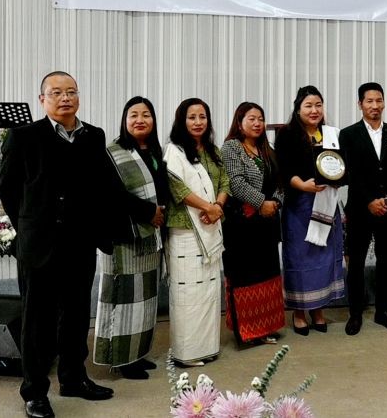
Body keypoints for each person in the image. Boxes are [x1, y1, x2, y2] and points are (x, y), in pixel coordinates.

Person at [0, 71, 116, 418]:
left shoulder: (93, 136)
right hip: (40, 244)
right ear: (42, 99)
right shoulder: (24, 137)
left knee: (78, 315)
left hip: (80, 242)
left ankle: (74, 378)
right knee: (38, 321)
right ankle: (34, 392)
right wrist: (31, 225)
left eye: (71, 92)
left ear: (78, 97)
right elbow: (8, 190)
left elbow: (99, 185)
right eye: (56, 92)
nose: (65, 98)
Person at [94, 96, 170, 380]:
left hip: (150, 237)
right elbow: (111, 195)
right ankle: (121, 359)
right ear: (125, 121)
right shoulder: (112, 153)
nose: (140, 120)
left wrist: (158, 214)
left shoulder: (153, 151)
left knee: (146, 302)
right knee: (124, 301)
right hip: (125, 238)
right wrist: (149, 211)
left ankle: (137, 353)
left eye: (146, 114)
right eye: (134, 115)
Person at [163, 98, 229, 366]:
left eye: (202, 117)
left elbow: (225, 181)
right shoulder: (173, 151)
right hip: (185, 230)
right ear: (182, 121)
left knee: (209, 290)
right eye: (192, 117)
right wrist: (208, 207)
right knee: (187, 292)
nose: (198, 122)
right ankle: (186, 353)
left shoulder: (213, 150)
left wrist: (217, 207)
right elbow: (176, 188)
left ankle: (207, 347)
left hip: (211, 226)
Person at [339, 83, 387, 335]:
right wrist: (369, 200)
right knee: (355, 262)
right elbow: (350, 173)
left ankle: (383, 312)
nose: (375, 106)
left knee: (385, 261)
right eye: (369, 101)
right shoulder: (347, 134)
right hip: (360, 208)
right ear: (360, 104)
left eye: (379, 100)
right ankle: (355, 314)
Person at [276, 86, 346, 334]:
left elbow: (341, 167)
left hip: (327, 203)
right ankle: (298, 312)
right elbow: (282, 170)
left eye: (318, 105)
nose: (314, 110)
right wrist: (301, 185)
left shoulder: (331, 134)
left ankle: (318, 310)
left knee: (324, 256)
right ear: (298, 109)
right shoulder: (286, 135)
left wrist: (339, 179)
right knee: (300, 257)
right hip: (299, 206)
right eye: (308, 105)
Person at [220, 102, 286, 345]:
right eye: (251, 119)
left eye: (260, 119)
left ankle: (266, 327)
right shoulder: (231, 148)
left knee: (267, 274)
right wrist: (261, 203)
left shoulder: (268, 149)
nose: (257, 123)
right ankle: (247, 332)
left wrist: (275, 204)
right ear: (239, 122)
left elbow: (280, 182)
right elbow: (235, 183)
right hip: (242, 225)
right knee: (245, 277)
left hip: (267, 225)